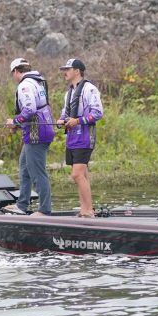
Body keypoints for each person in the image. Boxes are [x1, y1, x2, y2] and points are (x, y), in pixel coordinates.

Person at [3, 57, 55, 215]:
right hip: (40, 130)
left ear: (16, 71)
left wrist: (14, 122)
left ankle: (44, 210)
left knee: (37, 172)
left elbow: (30, 109)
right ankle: (22, 205)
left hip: (36, 134)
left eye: (12, 74)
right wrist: (19, 125)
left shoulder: (25, 85)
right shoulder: (38, 82)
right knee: (24, 168)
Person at [57, 58, 103, 217]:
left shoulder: (90, 89)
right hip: (72, 138)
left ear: (77, 71)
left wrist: (77, 121)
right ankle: (85, 209)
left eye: (67, 69)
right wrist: (61, 121)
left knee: (77, 174)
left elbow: (98, 113)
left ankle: (88, 211)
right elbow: (65, 114)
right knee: (82, 175)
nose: (65, 72)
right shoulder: (68, 93)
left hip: (85, 136)